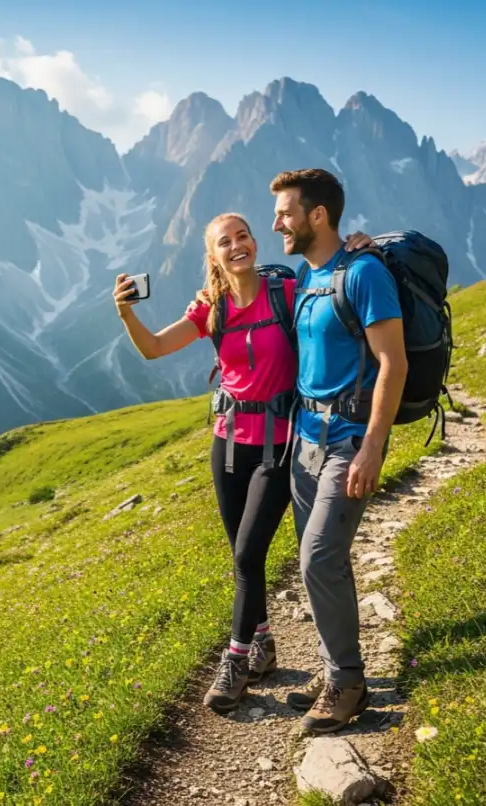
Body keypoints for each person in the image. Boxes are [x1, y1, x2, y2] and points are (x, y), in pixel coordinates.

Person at [112, 213, 371, 714]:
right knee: (239, 553)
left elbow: (331, 285)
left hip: (279, 445)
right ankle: (263, 644)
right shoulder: (211, 307)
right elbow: (154, 349)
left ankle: (234, 662)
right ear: (213, 256)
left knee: (249, 555)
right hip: (228, 443)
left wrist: (358, 248)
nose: (237, 247)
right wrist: (126, 315)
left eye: (243, 236)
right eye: (224, 243)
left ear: (254, 241)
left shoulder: (287, 289)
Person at [267, 168, 407, 734]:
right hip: (305, 441)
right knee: (319, 561)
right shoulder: (310, 273)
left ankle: (349, 684)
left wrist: (374, 446)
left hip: (348, 441)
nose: (276, 221)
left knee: (319, 558)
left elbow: (393, 363)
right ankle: (334, 673)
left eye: (285, 212)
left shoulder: (365, 273)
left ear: (317, 215)